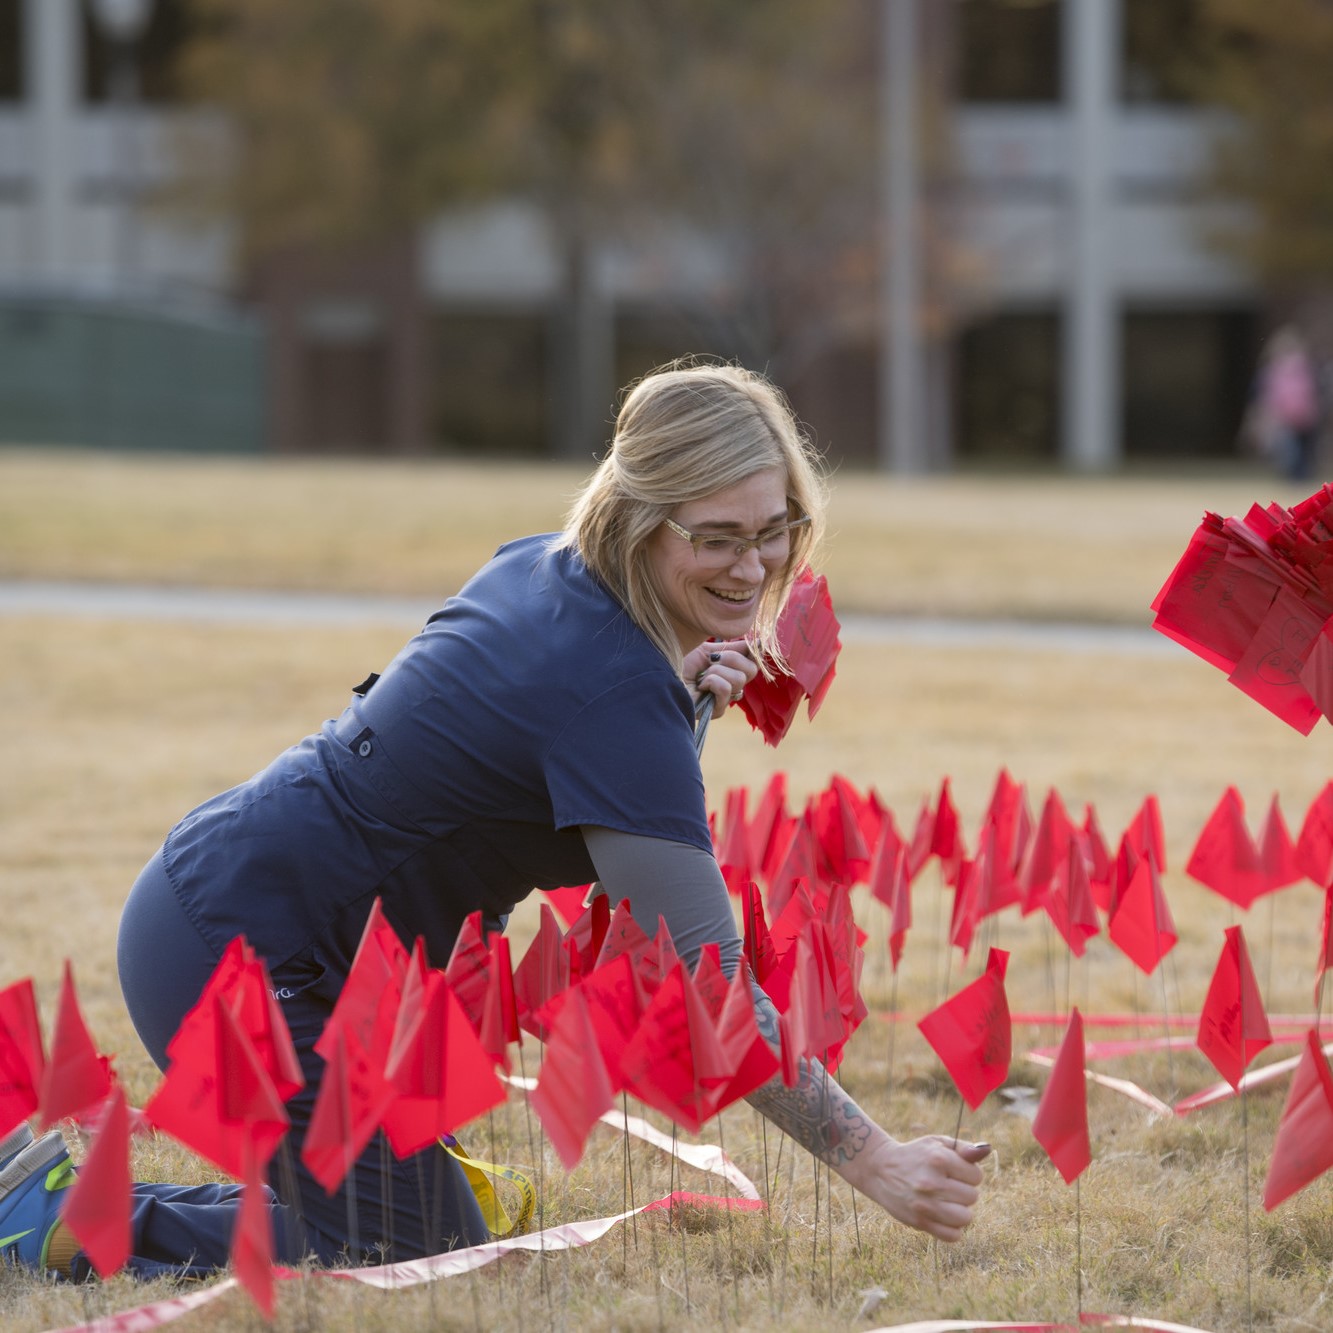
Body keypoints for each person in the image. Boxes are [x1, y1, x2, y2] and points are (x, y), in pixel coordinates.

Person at [1, 359, 989, 1281]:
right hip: (237, 965)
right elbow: (710, 987)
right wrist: (875, 1158)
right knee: (411, 1244)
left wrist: (675, 713)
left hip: (228, 904)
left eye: (771, 529)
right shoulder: (612, 696)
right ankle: (54, 1225)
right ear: (641, 519)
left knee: (419, 1223)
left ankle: (109, 1196)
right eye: (715, 537)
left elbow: (592, 787)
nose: (752, 566)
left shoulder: (550, 568)